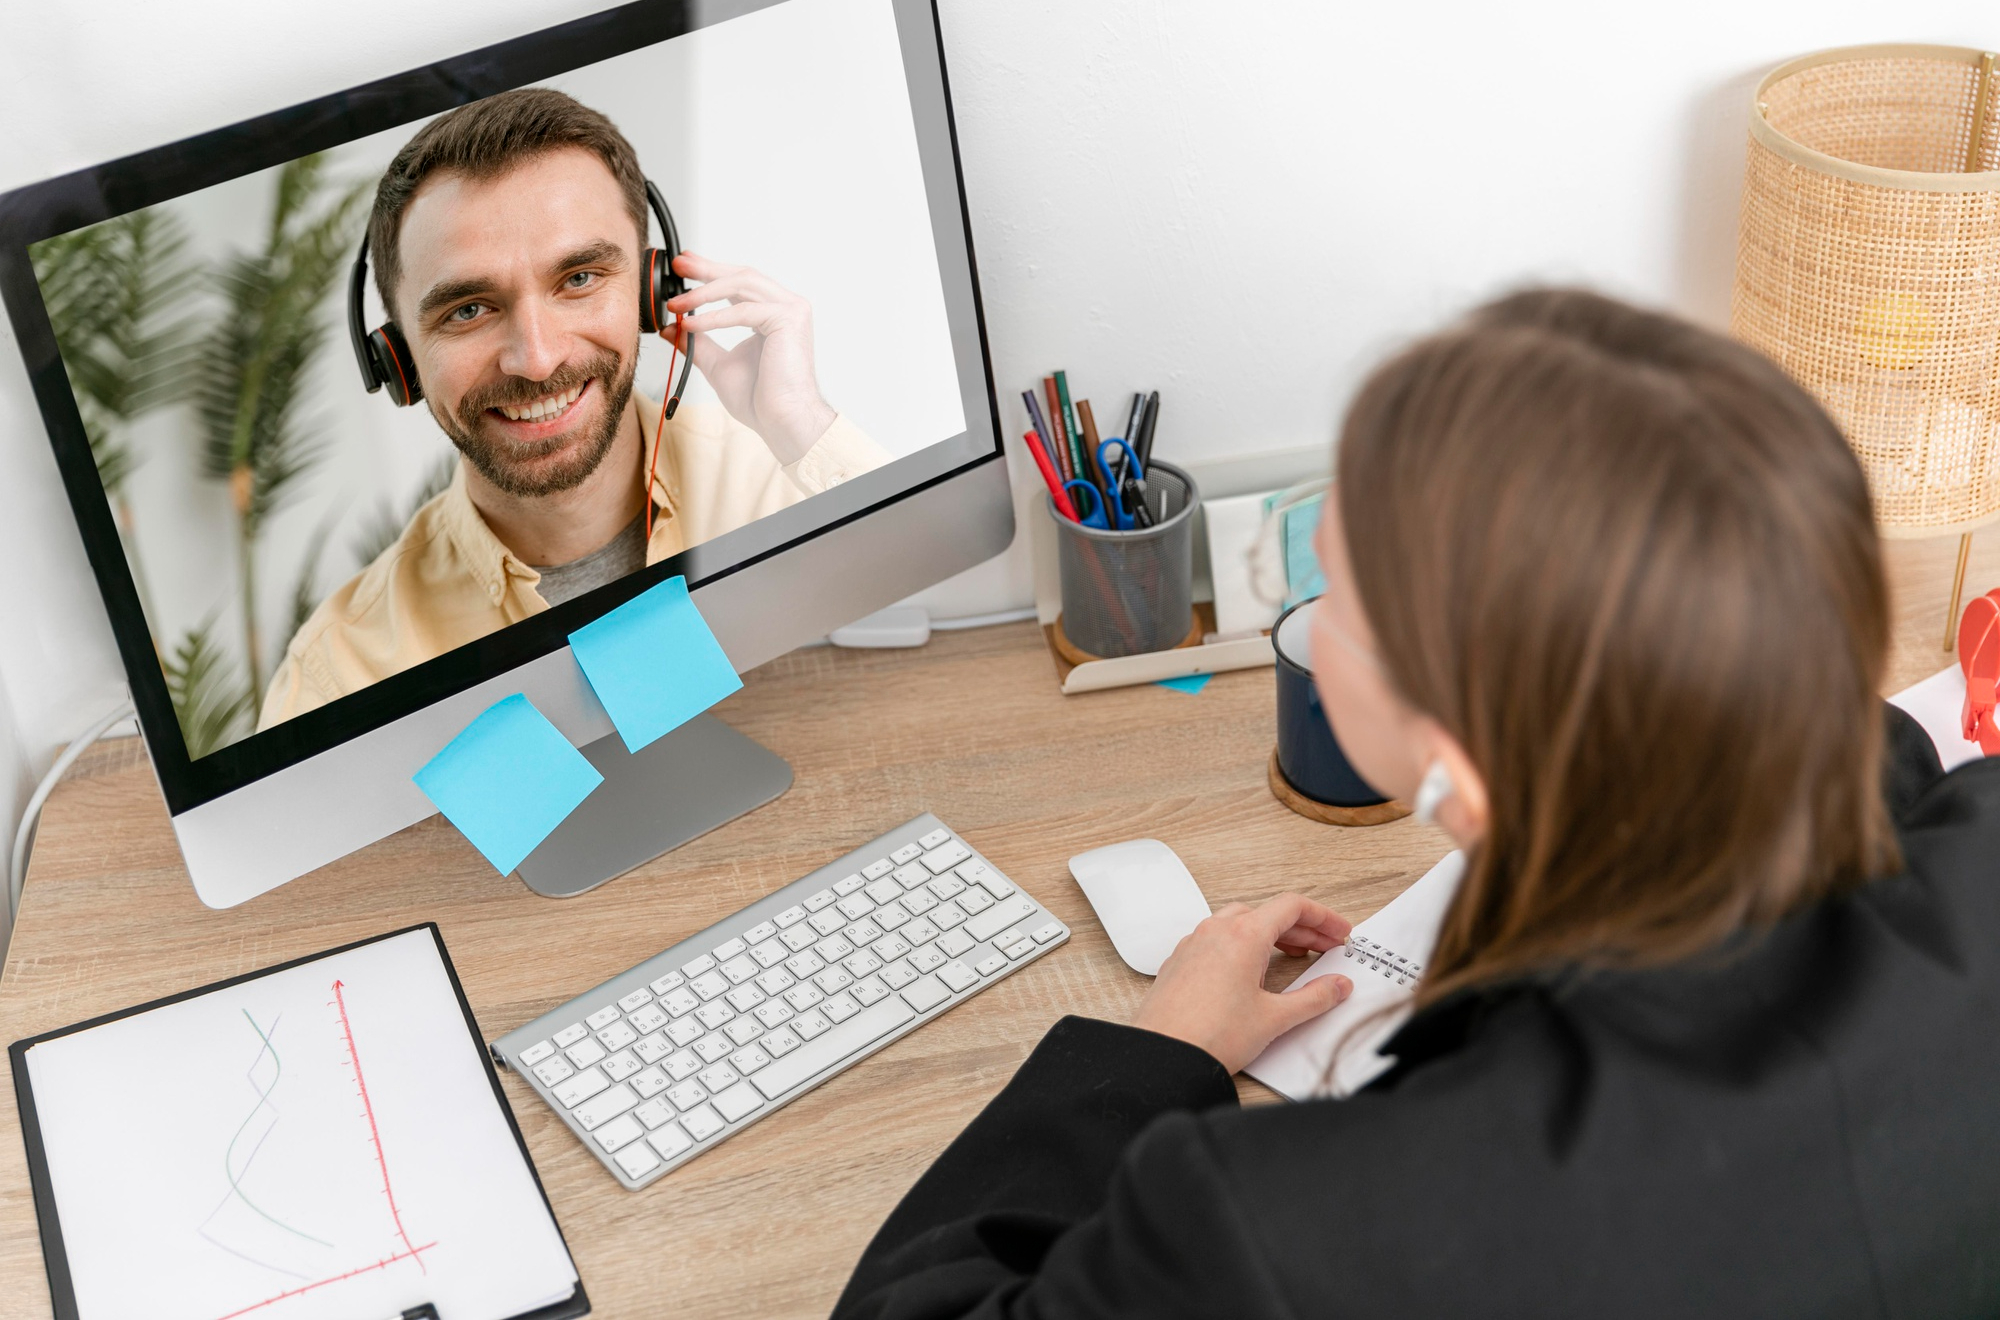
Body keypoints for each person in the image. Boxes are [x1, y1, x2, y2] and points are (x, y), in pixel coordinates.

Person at [833, 290, 2000, 1317]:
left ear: (1467, 764)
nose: (1315, 612)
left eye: (1338, 591)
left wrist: (1147, 1059)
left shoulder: (1278, 1231)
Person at [261, 88, 889, 727]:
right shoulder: (342, 669)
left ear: (655, 291)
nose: (536, 359)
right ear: (397, 360)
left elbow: (946, 632)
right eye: (468, 309)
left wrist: (800, 424)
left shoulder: (786, 483)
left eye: (579, 279)